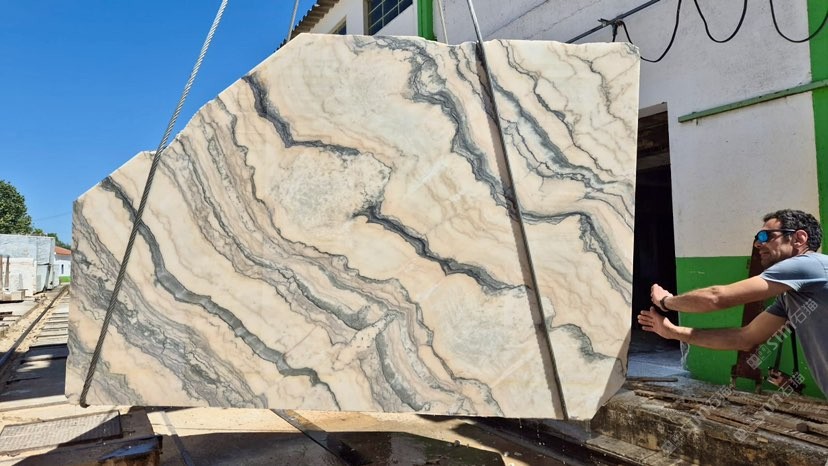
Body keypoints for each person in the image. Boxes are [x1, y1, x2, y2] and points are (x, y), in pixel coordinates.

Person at [638, 209, 828, 396]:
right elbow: (744, 339)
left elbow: (717, 298)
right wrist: (672, 331)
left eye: (765, 236)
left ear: (799, 238)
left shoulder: (810, 265)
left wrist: (666, 301)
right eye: (757, 238)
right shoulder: (789, 297)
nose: (757, 244)